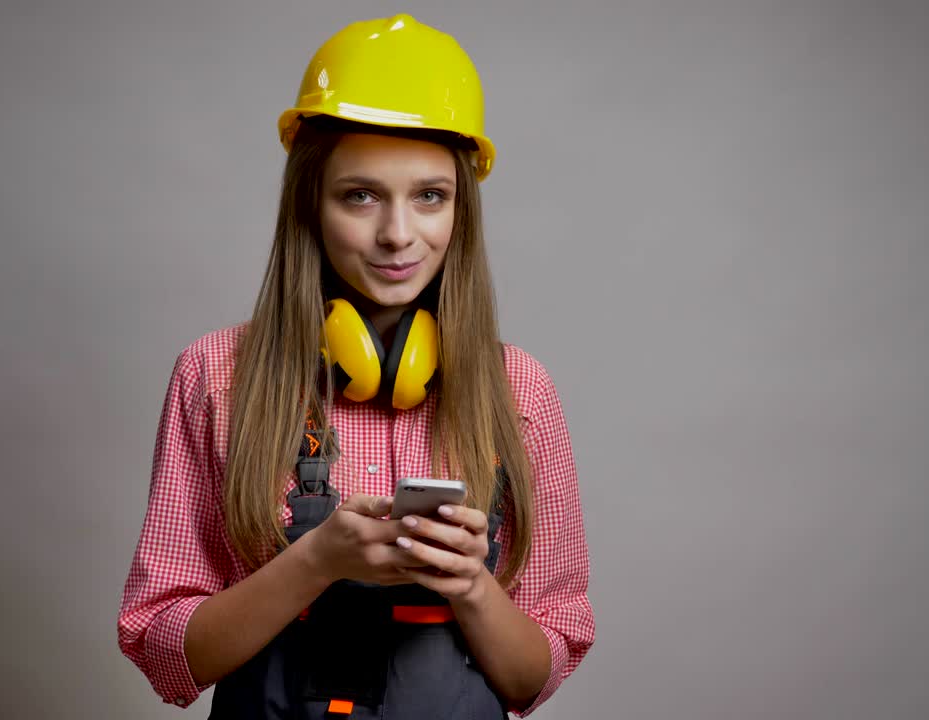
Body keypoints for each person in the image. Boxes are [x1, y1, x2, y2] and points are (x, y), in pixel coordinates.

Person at [117, 14, 593, 718]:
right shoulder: (216, 376)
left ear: (460, 210)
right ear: (310, 202)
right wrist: (316, 561)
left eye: (430, 196)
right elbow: (166, 657)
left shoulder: (520, 391)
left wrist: (471, 586)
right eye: (360, 195)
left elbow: (533, 677)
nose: (398, 234)